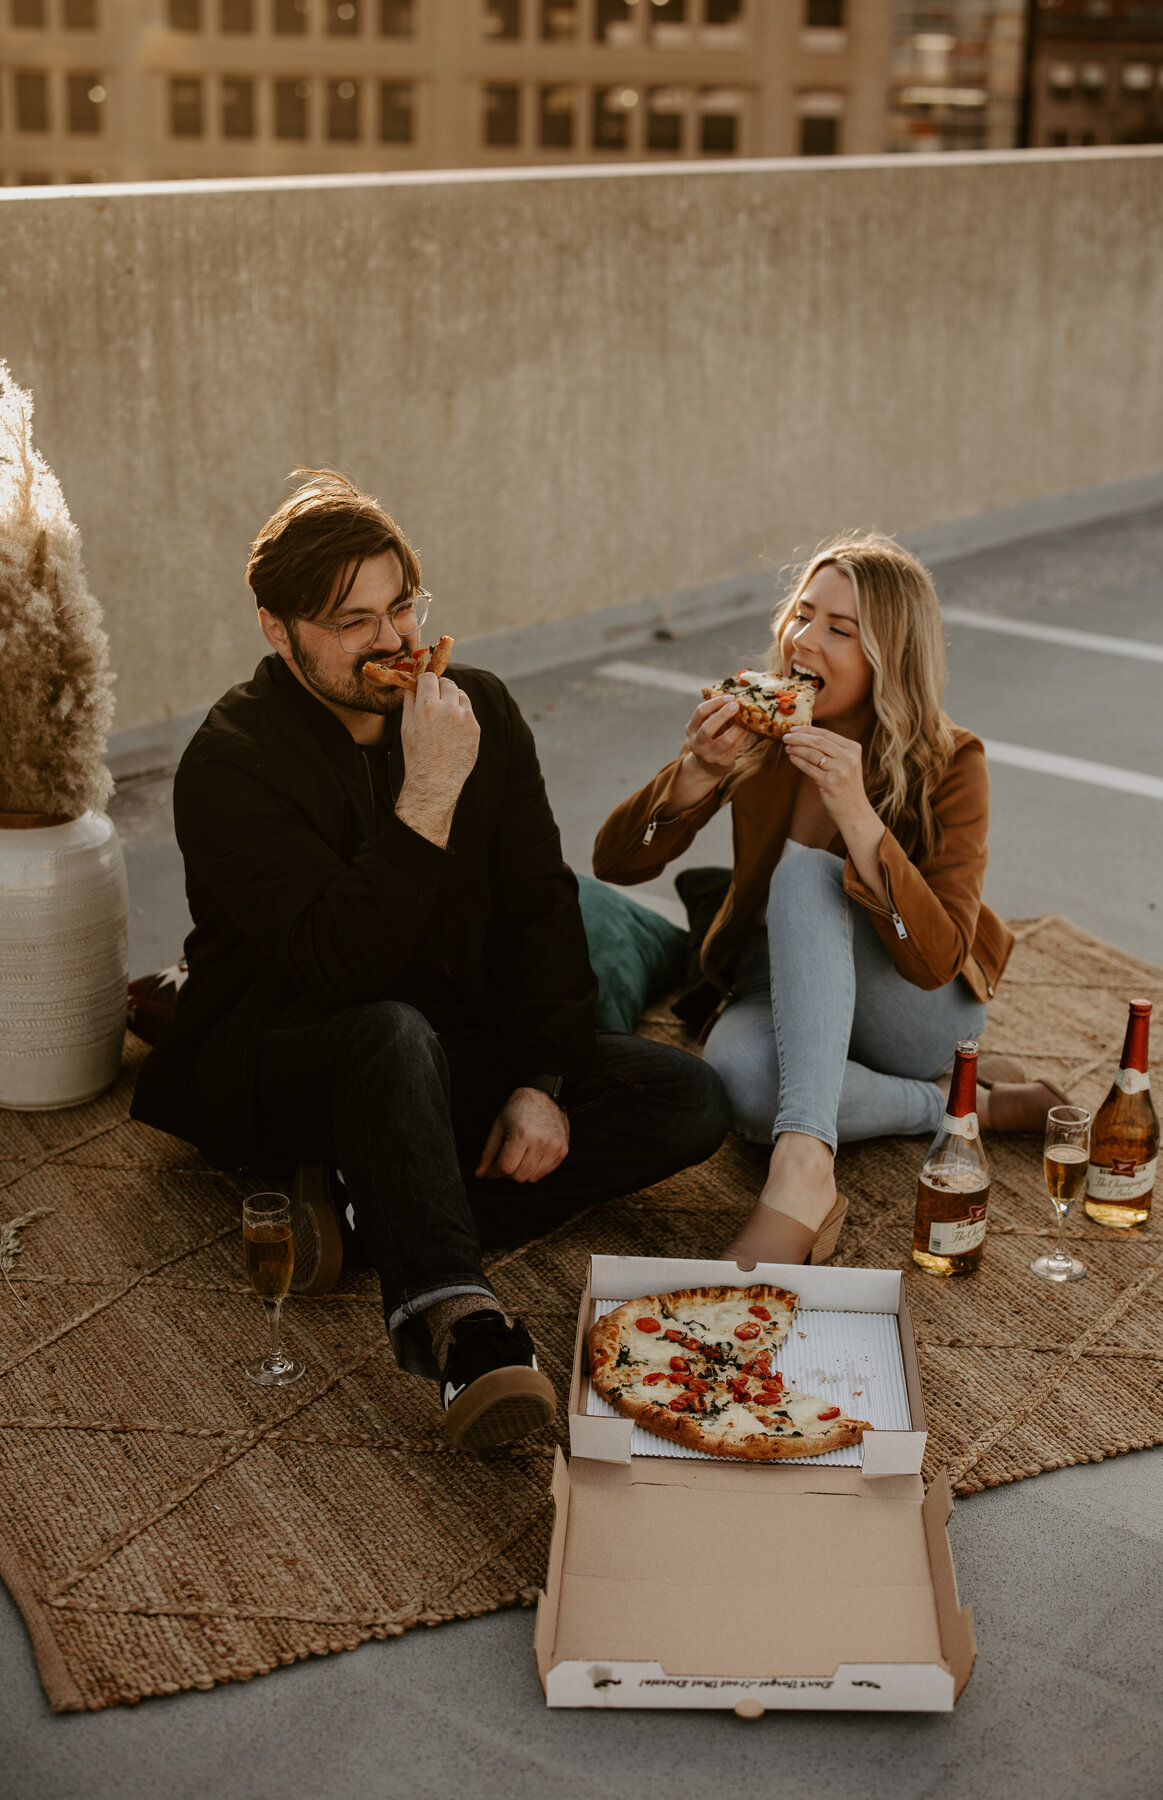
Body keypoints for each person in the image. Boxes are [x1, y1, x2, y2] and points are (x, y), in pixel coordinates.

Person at [131, 470, 729, 1451]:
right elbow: (340, 967)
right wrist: (428, 795)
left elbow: (542, 910)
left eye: (402, 604)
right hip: (294, 1053)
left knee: (686, 1101)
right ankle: (465, 1334)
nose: (394, 640)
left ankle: (365, 1218)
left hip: (448, 1050)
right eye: (351, 620)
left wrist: (539, 1080)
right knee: (390, 1032)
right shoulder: (229, 763)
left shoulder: (477, 709)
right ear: (276, 631)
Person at [593, 533, 1067, 1266]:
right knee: (740, 1089)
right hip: (779, 978)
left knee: (807, 873)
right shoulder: (757, 730)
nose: (804, 640)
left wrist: (859, 818)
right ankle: (971, 1104)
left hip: (912, 1008)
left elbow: (937, 957)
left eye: (840, 629)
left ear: (890, 654)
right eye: (802, 614)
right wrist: (692, 774)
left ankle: (804, 1176)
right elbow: (616, 863)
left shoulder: (952, 762)